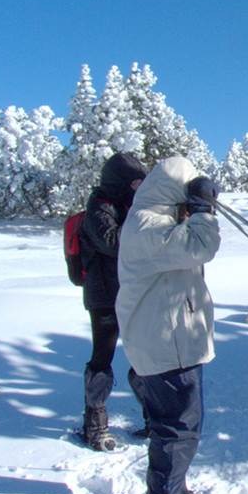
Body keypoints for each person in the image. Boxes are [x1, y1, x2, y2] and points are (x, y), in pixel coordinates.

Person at [115, 157, 222, 494]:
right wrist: (202, 210)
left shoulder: (157, 222)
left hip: (171, 341)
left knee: (173, 431)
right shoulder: (148, 225)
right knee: (176, 432)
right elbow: (202, 246)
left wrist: (194, 210)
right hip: (167, 346)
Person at [79, 151, 149, 451]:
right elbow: (111, 243)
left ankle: (154, 417)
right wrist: (142, 223)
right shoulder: (99, 206)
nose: (137, 188)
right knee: (102, 358)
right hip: (104, 297)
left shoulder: (127, 204)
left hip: (131, 292)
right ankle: (94, 423)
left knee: (143, 357)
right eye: (133, 183)